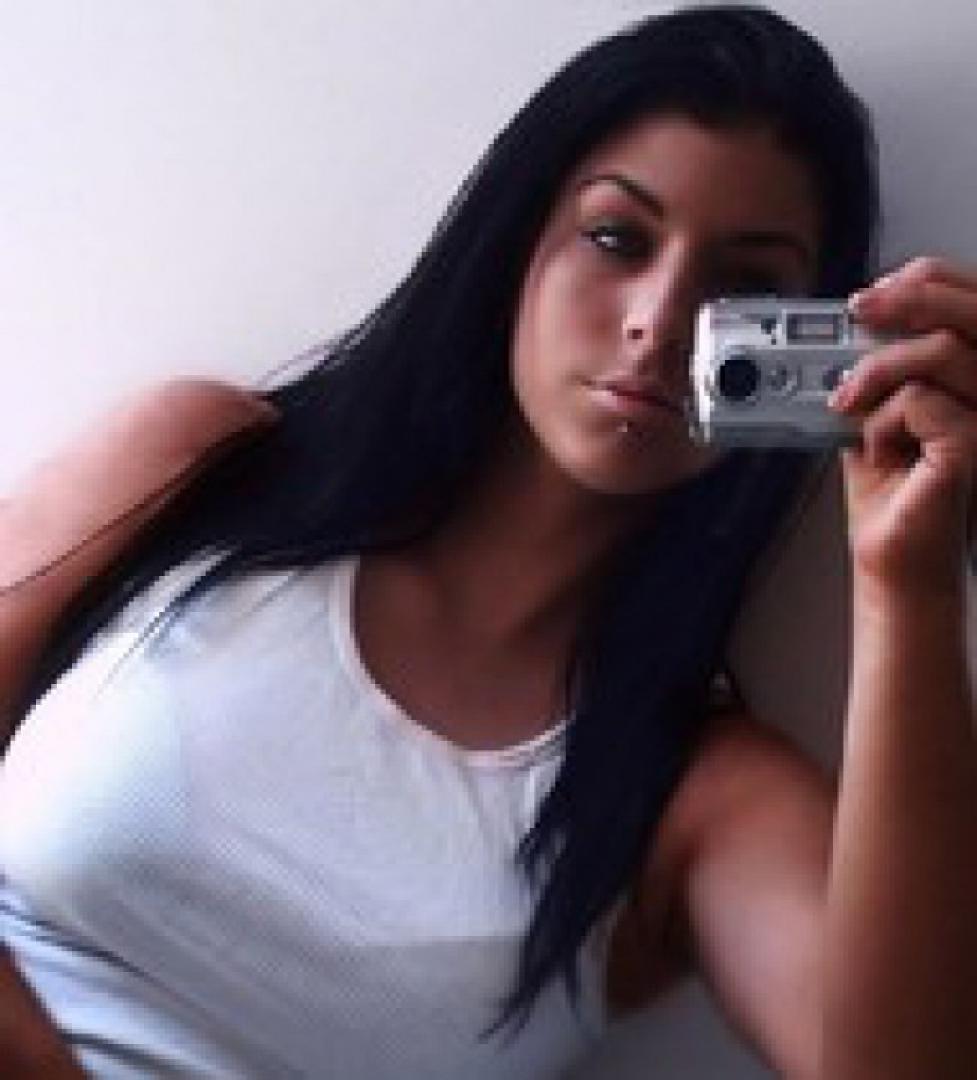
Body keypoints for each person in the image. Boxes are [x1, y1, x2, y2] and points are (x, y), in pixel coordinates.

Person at [2, 3, 975, 1076]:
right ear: (518, 244)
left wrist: (908, 581)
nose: (658, 319)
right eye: (617, 239)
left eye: (744, 289)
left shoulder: (696, 799)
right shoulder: (204, 468)